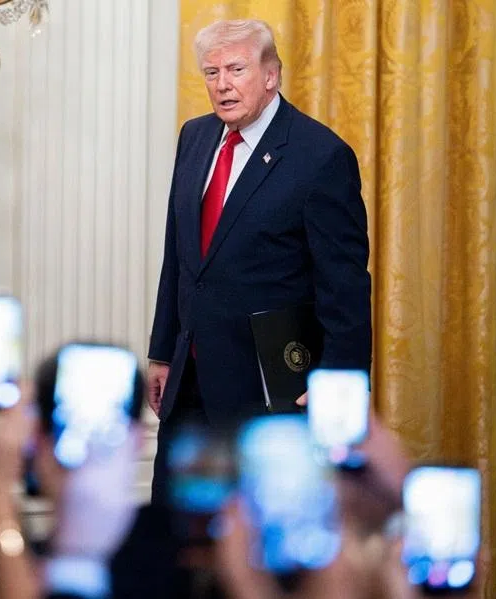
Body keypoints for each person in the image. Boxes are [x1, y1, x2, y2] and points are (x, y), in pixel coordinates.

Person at [148, 18, 372, 502]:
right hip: (188, 384)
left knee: (255, 529)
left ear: (271, 75)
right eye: (212, 73)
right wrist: (162, 352)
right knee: (177, 527)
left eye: (236, 69)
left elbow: (346, 287)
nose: (222, 85)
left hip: (266, 392)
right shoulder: (195, 137)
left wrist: (340, 386)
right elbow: (179, 255)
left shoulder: (321, 156)